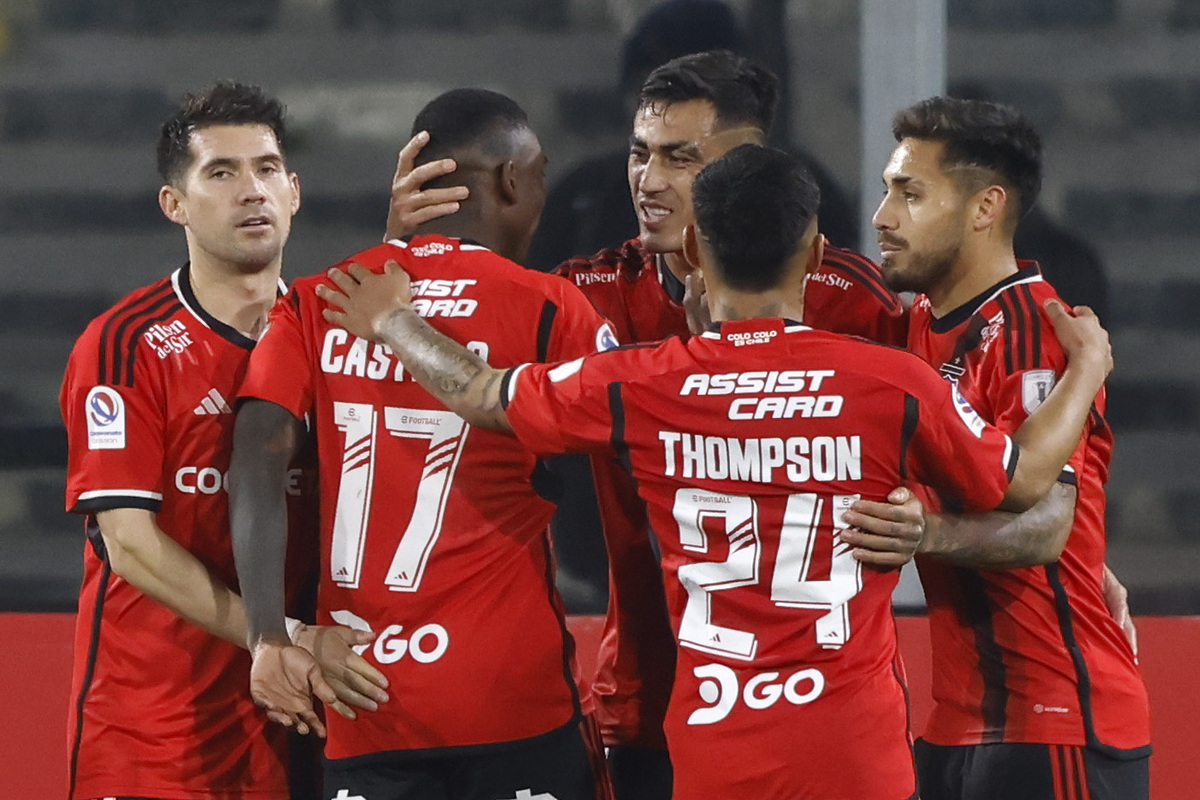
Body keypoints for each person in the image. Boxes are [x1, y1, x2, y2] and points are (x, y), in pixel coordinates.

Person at [314, 143, 1114, 800]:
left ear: (695, 247)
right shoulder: (891, 384)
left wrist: (393, 320)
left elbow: (484, 395)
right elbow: (1023, 481)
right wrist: (1085, 370)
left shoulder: (644, 382)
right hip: (854, 755)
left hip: (715, 753)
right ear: (815, 252)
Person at [385, 49, 914, 800]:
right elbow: (460, 371)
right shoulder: (587, 294)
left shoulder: (851, 301)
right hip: (643, 695)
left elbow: (953, 447)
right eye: (640, 154)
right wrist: (411, 253)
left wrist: (934, 522)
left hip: (818, 710)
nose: (649, 180)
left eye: (681, 158)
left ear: (749, 166)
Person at [229, 88, 614, 800]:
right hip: (511, 696)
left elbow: (255, 455)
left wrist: (268, 635)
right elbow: (626, 451)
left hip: (367, 699)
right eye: (538, 179)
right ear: (509, 180)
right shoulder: (550, 307)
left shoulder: (319, 297)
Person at [58, 82, 387, 800]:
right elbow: (129, 543)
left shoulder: (334, 338)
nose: (252, 191)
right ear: (174, 205)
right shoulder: (126, 345)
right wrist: (282, 637)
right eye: (222, 173)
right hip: (155, 739)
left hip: (304, 725)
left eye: (267, 169)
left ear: (295, 191)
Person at [872, 96, 1151, 799]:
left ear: (984, 207)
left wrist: (921, 531)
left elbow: (1045, 524)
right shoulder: (916, 329)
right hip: (959, 721)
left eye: (910, 193)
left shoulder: (1029, 331)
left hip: (1056, 718)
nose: (883, 215)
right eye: (886, 190)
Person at [524, 0, 859, 273]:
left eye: (681, 157)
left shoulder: (801, 190)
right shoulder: (586, 197)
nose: (651, 181)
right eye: (647, 90)